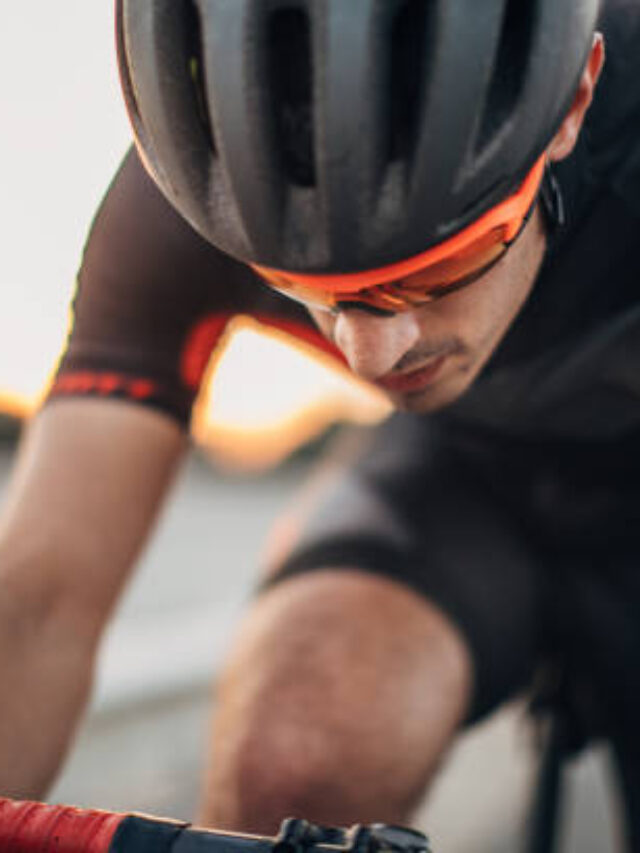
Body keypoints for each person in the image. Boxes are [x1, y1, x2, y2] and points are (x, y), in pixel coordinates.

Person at [1, 0, 638, 837]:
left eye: (440, 267)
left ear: (577, 102)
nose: (372, 356)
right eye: (307, 292)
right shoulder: (187, 200)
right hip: (466, 473)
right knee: (295, 762)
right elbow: (43, 605)